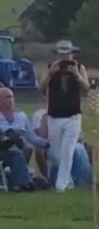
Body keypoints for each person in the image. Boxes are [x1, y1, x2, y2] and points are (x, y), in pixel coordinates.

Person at [39, 40, 90, 192]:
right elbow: (40, 88)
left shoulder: (79, 68)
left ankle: (60, 186)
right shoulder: (50, 67)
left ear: (72, 53)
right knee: (56, 153)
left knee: (68, 149)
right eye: (61, 54)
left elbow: (87, 89)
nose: (64, 58)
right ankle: (68, 181)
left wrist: (77, 76)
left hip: (73, 116)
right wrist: (50, 74)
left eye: (67, 54)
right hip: (54, 115)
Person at [0, 87, 41, 190]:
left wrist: (47, 143)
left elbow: (32, 137)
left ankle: (19, 180)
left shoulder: (21, 116)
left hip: (17, 147)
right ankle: (22, 184)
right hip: (2, 149)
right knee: (17, 153)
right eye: (7, 97)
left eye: (12, 97)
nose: (11, 100)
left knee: (27, 148)